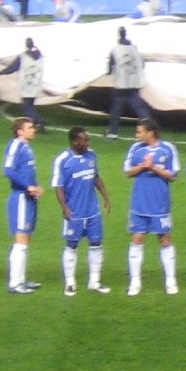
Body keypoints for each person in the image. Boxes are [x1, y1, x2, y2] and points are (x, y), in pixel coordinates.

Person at [52, 127, 112, 296]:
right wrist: (64, 207)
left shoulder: (91, 155)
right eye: (84, 140)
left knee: (96, 244)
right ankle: (70, 283)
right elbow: (59, 186)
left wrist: (106, 197)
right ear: (74, 142)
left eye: (88, 140)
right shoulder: (63, 160)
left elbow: (96, 177)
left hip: (92, 210)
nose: (88, 143)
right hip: (75, 212)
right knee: (72, 245)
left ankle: (95, 281)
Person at [123, 119, 179, 297]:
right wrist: (142, 166)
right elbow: (127, 172)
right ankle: (135, 282)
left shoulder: (167, 149)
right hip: (139, 204)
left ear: (150, 132)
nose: (137, 135)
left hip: (160, 204)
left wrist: (153, 167)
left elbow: (173, 175)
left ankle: (170, 281)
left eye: (140, 132)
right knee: (137, 239)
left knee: (165, 239)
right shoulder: (136, 149)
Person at [2, 116, 43, 295]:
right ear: (20, 131)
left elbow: (26, 173)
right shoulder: (15, 145)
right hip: (20, 198)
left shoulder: (27, 147)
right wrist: (28, 187)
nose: (33, 129)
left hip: (29, 198)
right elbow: (8, 170)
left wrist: (35, 187)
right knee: (20, 240)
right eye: (30, 127)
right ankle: (14, 283)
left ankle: (22, 280)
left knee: (26, 239)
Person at [105, 27, 153, 138]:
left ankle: (113, 132)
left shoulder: (115, 50)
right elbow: (142, 65)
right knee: (140, 108)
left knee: (116, 109)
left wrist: (110, 72)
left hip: (121, 85)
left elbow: (109, 68)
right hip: (135, 83)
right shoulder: (135, 49)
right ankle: (150, 131)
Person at [0, 37, 45, 126]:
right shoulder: (40, 56)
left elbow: (11, 68)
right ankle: (37, 121)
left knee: (26, 107)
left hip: (26, 85)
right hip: (36, 84)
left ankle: (38, 121)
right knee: (30, 105)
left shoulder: (23, 56)